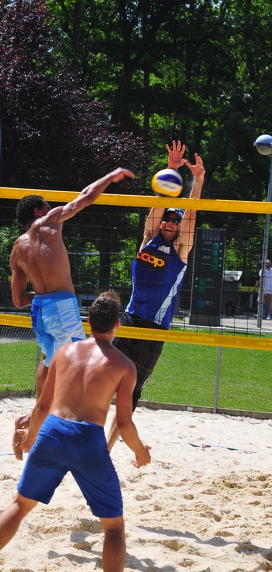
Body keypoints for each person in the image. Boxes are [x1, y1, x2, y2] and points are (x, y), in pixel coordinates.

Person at [0, 292, 151, 572]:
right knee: (114, 527)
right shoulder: (124, 366)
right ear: (118, 324)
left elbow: (42, 407)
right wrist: (140, 452)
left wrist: (30, 440)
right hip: (87, 440)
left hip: (52, 433)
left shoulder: (65, 352)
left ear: (88, 321)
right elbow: (124, 424)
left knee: (19, 506)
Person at [10, 167, 136, 458]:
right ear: (40, 209)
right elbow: (84, 197)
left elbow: (18, 300)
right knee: (81, 366)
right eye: (47, 205)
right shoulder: (50, 221)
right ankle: (38, 430)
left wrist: (43, 295)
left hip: (40, 311)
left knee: (51, 362)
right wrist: (110, 176)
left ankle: (29, 422)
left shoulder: (17, 248)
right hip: (61, 308)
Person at [107, 141, 205, 450]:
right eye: (168, 219)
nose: (170, 223)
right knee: (104, 378)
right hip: (131, 319)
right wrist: (171, 170)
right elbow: (157, 208)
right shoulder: (148, 240)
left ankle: (106, 448)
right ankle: (88, 436)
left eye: (175, 222)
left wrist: (197, 182)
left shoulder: (181, 251)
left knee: (131, 391)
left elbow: (190, 217)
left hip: (155, 329)